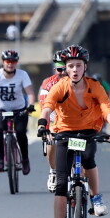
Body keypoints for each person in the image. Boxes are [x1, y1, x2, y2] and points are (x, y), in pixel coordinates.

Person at [36, 44, 110, 218]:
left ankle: (96, 197)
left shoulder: (95, 86)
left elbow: (106, 108)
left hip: (88, 132)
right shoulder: (61, 87)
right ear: (65, 68)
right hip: (64, 133)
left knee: (89, 160)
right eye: (71, 66)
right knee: (61, 186)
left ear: (85, 67)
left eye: (78, 65)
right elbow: (48, 106)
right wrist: (42, 123)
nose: (75, 70)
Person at [0, 49, 36, 175]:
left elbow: (30, 93)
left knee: (21, 132)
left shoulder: (22, 75)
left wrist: (30, 106)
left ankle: (25, 160)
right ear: (3, 62)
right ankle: (0, 161)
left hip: (19, 109)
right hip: (0, 109)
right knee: (0, 130)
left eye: (13, 61)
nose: (10, 64)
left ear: (16, 62)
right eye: (7, 61)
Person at [38, 50, 68, 193]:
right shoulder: (48, 84)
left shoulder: (80, 82)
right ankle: (54, 171)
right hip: (54, 118)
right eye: (59, 69)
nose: (62, 73)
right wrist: (46, 129)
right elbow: (45, 108)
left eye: (65, 69)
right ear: (55, 69)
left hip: (73, 120)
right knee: (51, 140)